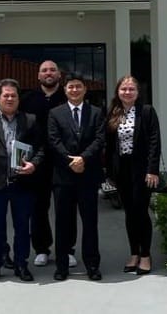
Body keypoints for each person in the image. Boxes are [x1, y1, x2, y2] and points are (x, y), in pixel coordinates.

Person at [0, 78, 44, 283]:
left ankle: (21, 264)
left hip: (23, 184)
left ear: (18, 98)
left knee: (22, 227)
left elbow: (40, 149)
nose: (10, 98)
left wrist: (34, 165)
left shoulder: (30, 120)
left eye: (13, 95)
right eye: (6, 95)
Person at [20, 60, 77, 268]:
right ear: (38, 76)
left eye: (52, 69)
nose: (48, 73)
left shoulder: (67, 98)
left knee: (66, 208)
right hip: (37, 163)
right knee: (38, 208)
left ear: (59, 75)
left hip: (63, 161)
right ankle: (42, 248)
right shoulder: (28, 100)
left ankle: (67, 249)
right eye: (44, 70)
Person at [48, 72, 105, 281]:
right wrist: (71, 161)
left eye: (78, 86)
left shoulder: (96, 112)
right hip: (63, 177)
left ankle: (92, 265)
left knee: (90, 223)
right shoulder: (55, 113)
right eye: (71, 86)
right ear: (65, 90)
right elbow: (53, 141)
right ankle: (62, 266)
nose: (74, 90)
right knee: (63, 223)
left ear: (85, 89)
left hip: (88, 176)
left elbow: (100, 139)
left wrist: (83, 159)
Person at [104, 75, 161, 275]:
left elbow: (154, 141)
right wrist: (108, 171)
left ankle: (145, 255)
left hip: (142, 169)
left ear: (137, 93)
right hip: (122, 170)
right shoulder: (113, 112)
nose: (127, 92)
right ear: (118, 92)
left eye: (131, 89)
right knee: (129, 213)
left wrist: (152, 169)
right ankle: (134, 253)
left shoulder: (146, 111)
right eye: (123, 89)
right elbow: (109, 145)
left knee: (141, 212)